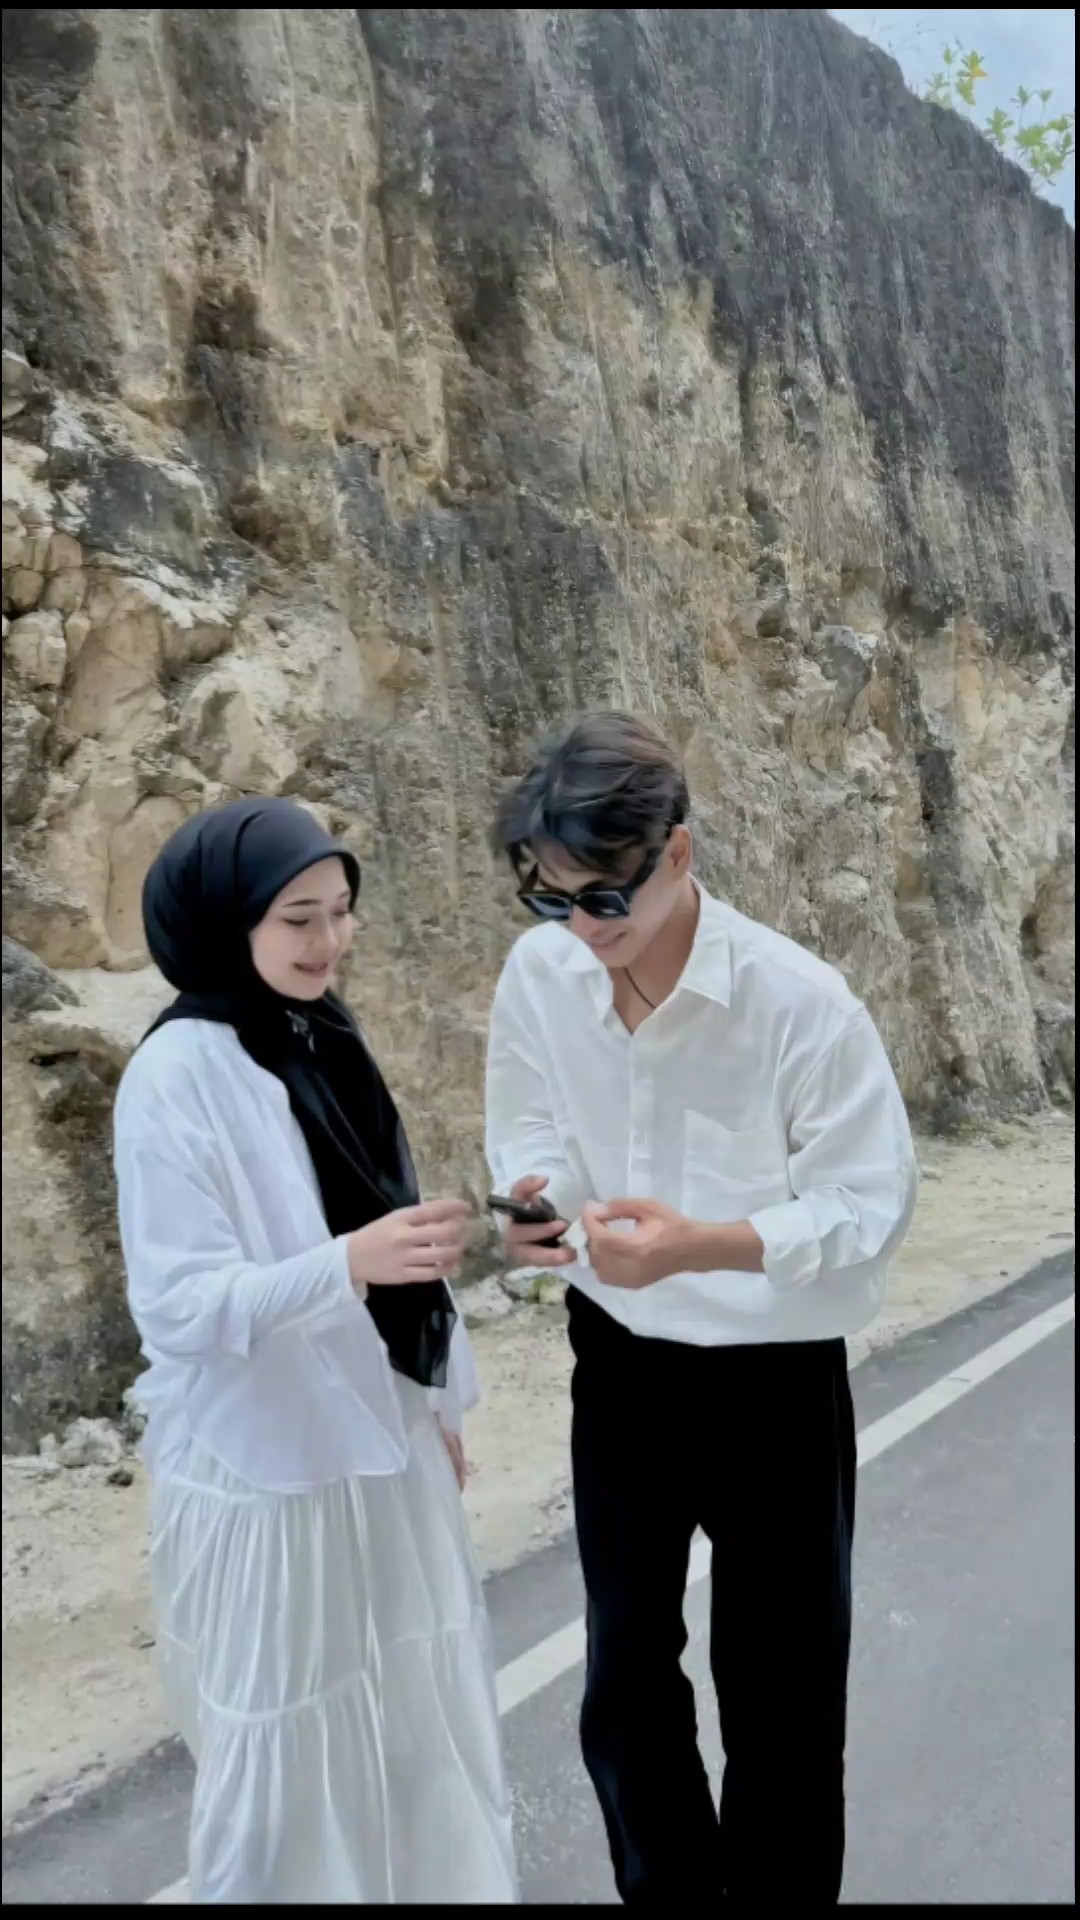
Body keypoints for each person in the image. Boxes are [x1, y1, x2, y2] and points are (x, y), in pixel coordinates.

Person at [485, 711, 918, 1907]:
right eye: (552, 899)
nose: (582, 928)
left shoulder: (800, 1002)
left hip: (774, 1381)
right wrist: (534, 1202)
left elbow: (868, 1206)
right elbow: (527, 1123)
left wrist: (701, 1247)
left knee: (783, 1697)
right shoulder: (542, 972)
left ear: (676, 853)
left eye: (603, 898)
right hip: (619, 1363)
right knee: (625, 1680)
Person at [114, 796, 518, 1905]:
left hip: (379, 1434)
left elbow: (396, 1234)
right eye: (298, 918)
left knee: (413, 1713)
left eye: (341, 912)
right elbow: (180, 1308)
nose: (329, 942)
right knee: (286, 1739)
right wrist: (347, 1264)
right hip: (267, 1463)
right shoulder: (175, 1076)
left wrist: (437, 1405)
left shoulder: (321, 1039)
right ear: (227, 920)